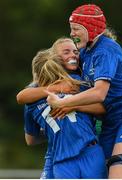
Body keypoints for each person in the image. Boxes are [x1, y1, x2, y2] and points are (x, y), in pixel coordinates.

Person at [46, 4, 122, 179]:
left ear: (91, 28)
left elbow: (99, 93)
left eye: (76, 29)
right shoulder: (85, 52)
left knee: (119, 166)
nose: (72, 34)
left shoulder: (106, 50)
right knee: (98, 174)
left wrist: (63, 103)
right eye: (71, 29)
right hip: (109, 122)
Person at [20, 38, 107, 178]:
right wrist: (55, 130)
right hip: (59, 155)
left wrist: (74, 105)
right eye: (66, 52)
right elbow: (21, 98)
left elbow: (103, 108)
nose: (73, 55)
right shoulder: (33, 98)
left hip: (89, 149)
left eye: (75, 52)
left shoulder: (77, 82)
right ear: (54, 59)